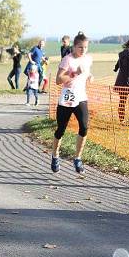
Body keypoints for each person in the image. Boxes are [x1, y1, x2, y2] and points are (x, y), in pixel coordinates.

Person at [51, 32, 93, 174]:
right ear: (74, 47)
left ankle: (77, 158)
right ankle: (55, 155)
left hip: (81, 97)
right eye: (80, 47)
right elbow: (58, 80)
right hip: (68, 97)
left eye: (86, 47)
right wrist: (74, 73)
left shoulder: (88, 59)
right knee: (61, 129)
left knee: (84, 127)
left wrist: (90, 76)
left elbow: (86, 72)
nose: (83, 50)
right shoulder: (67, 60)